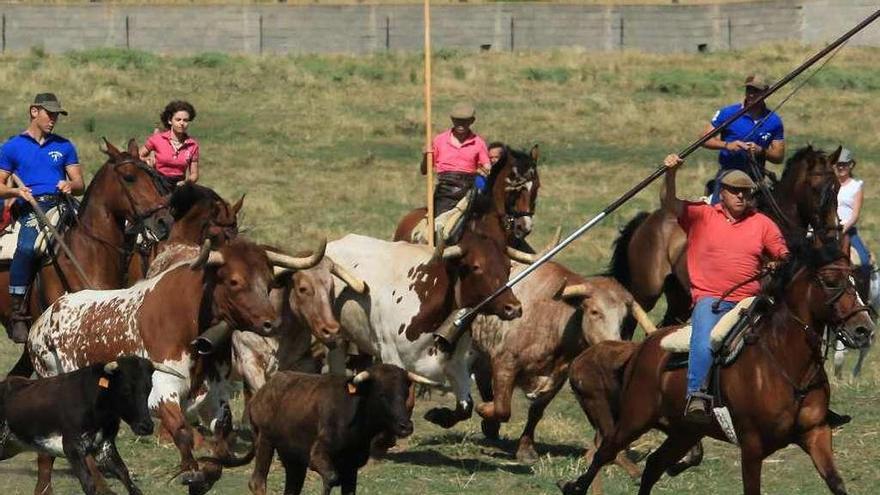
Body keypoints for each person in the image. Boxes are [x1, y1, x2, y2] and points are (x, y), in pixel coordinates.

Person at [662, 153, 788, 422]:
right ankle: (696, 395)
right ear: (722, 193)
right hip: (711, 299)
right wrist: (670, 174)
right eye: (735, 191)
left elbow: (782, 253)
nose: (741, 196)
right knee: (704, 339)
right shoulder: (701, 215)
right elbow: (669, 203)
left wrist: (778, 262)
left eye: (745, 192)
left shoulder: (762, 224)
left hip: (750, 300)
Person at [0, 93, 84, 343]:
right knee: (26, 248)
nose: (54, 119)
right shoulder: (12, 147)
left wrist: (71, 185)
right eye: (50, 113)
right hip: (31, 208)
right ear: (34, 111)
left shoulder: (64, 145)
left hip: (62, 203)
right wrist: (16, 191)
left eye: (57, 114)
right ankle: (18, 313)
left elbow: (79, 183)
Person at [701, 74, 785, 203]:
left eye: (756, 91)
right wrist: (728, 145)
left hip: (756, 180)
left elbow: (778, 156)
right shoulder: (727, 113)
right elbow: (704, 139)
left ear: (766, 92)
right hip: (728, 176)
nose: (751, 95)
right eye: (749, 90)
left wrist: (760, 151)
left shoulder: (774, 121)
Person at [421, 102, 491, 240]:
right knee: (437, 229)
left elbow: (486, 167)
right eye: (457, 120)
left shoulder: (478, 143)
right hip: (445, 191)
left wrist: (485, 171)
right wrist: (425, 156)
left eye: (465, 121)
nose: (461, 124)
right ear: (452, 120)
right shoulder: (439, 140)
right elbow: (425, 170)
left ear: (471, 121)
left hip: (469, 190)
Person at [139, 100, 200, 191]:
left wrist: (186, 183)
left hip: (179, 186)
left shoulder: (192, 145)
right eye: (178, 119)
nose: (182, 123)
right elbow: (137, 156)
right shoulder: (157, 139)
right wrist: (147, 161)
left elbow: (194, 174)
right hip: (157, 185)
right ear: (170, 121)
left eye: (185, 120)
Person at [836, 148, 872, 277]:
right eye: (839, 164)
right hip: (828, 228)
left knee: (864, 261)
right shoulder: (830, 184)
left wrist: (842, 229)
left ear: (850, 165)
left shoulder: (856, 186)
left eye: (844, 164)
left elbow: (855, 215)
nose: (841, 167)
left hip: (848, 230)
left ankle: (865, 293)